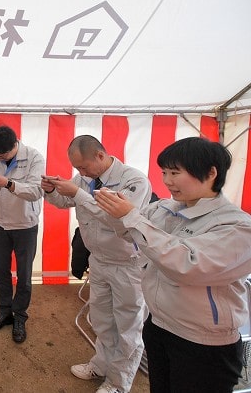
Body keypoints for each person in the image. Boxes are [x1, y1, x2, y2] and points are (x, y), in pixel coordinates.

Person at [94, 137, 251, 392]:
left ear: (211, 173)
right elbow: (128, 232)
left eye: (175, 172)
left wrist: (131, 216)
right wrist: (115, 211)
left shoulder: (237, 226)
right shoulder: (166, 208)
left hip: (203, 342)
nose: (167, 181)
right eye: (164, 172)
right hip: (158, 325)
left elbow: (188, 265)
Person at [41, 135, 151, 393]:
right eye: (77, 169)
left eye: (83, 167)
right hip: (99, 260)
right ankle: (101, 365)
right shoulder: (84, 180)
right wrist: (51, 190)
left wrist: (78, 193)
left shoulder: (133, 180)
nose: (80, 173)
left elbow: (119, 217)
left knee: (128, 326)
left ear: (100, 156)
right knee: (102, 319)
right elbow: (64, 201)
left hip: (128, 264)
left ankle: (118, 383)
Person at [0, 125, 45, 343]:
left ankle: (20, 317)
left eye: (2, 155)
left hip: (26, 226)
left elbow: (36, 191)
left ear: (15, 145)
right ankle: (4, 312)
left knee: (24, 276)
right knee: (1, 271)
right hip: (0, 224)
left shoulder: (33, 157)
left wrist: (8, 183)